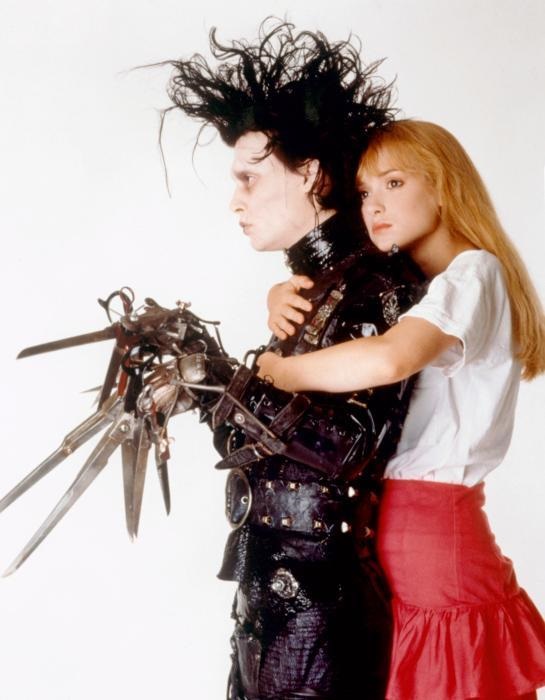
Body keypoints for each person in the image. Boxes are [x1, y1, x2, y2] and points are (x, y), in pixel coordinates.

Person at [164, 21, 425, 700]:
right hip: (264, 604)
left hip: (323, 616)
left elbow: (346, 445)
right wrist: (187, 379)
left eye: (250, 178)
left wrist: (222, 375)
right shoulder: (309, 294)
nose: (236, 200)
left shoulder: (378, 288)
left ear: (309, 173)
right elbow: (269, 444)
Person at [259, 118, 545, 699]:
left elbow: (391, 357)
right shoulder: (424, 288)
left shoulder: (474, 273)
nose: (374, 205)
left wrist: (282, 371)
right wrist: (283, 294)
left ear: (444, 187)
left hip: (436, 539)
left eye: (394, 183)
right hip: (405, 537)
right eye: (366, 192)